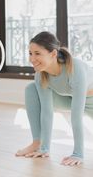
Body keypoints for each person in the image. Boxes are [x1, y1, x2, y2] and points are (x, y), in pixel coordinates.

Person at [16, 31, 93, 166]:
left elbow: (76, 116)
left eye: (37, 53)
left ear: (53, 54)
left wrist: (78, 154)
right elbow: (47, 112)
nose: (32, 59)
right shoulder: (41, 75)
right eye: (30, 53)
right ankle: (37, 143)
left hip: (89, 101)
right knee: (31, 89)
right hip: (70, 99)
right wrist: (45, 148)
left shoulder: (75, 68)